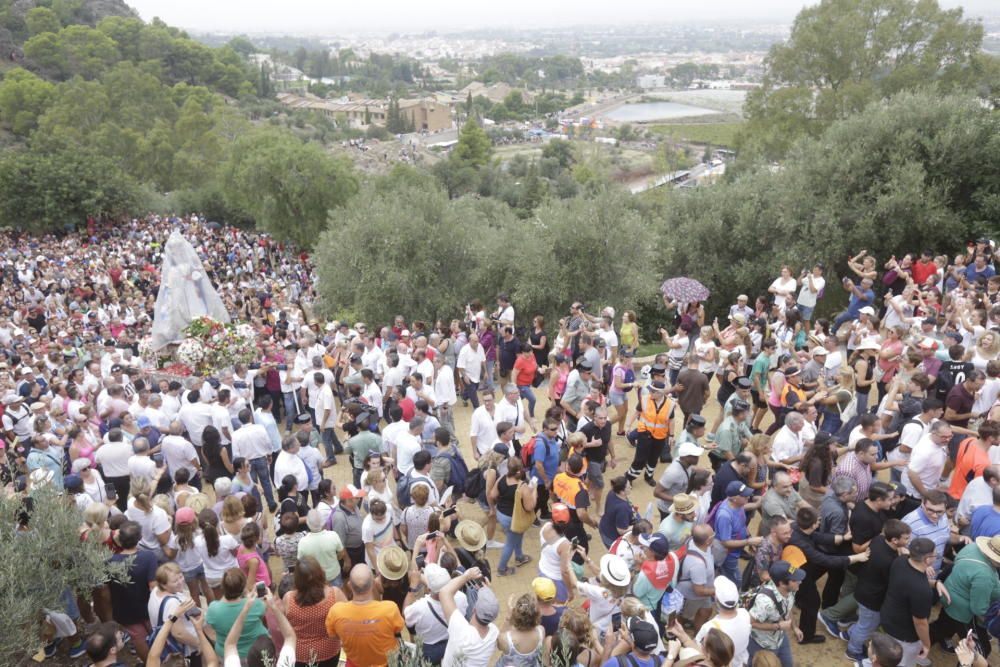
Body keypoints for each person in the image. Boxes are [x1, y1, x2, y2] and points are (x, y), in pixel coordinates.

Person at [845, 519, 914, 662]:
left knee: (864, 622)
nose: (909, 540)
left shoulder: (879, 540)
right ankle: (853, 650)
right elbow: (892, 581)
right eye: (906, 538)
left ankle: (852, 634)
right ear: (894, 540)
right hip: (872, 599)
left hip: (864, 589)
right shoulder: (888, 561)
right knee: (867, 626)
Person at [930, 534, 1000, 659]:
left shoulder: (972, 547)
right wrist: (988, 620)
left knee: (943, 624)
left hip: (950, 593)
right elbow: (978, 608)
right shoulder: (984, 575)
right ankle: (923, 646)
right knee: (981, 650)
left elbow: (957, 562)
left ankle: (924, 644)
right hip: (963, 612)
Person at [325, 564, 405, 667]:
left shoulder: (336, 611)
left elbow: (334, 636)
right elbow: (398, 629)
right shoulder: (390, 609)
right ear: (372, 585)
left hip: (355, 663)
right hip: (387, 663)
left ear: (349, 585)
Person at [879, 538, 942, 667]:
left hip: (889, 617)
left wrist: (936, 583)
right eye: (935, 555)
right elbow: (920, 623)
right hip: (905, 634)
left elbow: (911, 581)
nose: (936, 557)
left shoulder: (900, 561)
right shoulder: (922, 591)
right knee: (902, 662)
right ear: (927, 559)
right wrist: (926, 644)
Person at [106, 521, 159, 662]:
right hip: (148, 606)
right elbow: (153, 586)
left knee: (138, 638)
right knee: (157, 633)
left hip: (124, 610)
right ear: (140, 538)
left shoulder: (110, 561)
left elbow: (106, 591)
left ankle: (150, 664)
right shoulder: (148, 557)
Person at [282, 556, 345, 667]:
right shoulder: (334, 594)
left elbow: (283, 627)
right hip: (329, 650)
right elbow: (347, 617)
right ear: (320, 572)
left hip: (300, 654)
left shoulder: (288, 598)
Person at [402, 561, 468, 663]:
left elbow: (406, 615)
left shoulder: (419, 608)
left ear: (428, 589)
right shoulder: (461, 597)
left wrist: (413, 585)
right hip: (452, 642)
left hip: (429, 648)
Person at [440, 567, 500, 667]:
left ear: (474, 609)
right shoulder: (494, 634)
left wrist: (467, 576)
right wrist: (487, 594)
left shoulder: (461, 631)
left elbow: (444, 592)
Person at [747, 561, 804, 667]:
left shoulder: (791, 589)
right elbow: (751, 623)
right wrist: (777, 626)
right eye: (795, 580)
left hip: (781, 638)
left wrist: (795, 627)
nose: (799, 582)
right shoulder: (765, 602)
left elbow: (787, 608)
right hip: (762, 644)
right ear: (782, 583)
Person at [205, 568, 269, 660]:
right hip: (254, 652)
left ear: (223, 586)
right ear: (243, 586)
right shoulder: (255, 604)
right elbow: (264, 608)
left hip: (227, 655)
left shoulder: (213, 609)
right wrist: (249, 594)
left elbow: (211, 627)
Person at [626, 380, 674, 485]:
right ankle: (629, 477)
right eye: (650, 390)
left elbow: (671, 420)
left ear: (660, 393)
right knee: (640, 458)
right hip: (645, 433)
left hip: (660, 436)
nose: (650, 393)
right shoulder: (644, 399)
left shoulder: (670, 404)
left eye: (653, 391)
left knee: (654, 458)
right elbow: (636, 413)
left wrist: (671, 435)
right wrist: (629, 425)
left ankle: (648, 476)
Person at [715, 481, 762, 586]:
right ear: (735, 498)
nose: (748, 497)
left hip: (737, 550)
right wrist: (748, 542)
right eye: (745, 495)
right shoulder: (725, 516)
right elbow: (725, 542)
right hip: (729, 554)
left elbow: (742, 525)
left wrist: (749, 537)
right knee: (736, 581)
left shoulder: (739, 505)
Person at [298, 509, 349, 587]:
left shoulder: (302, 542)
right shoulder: (333, 535)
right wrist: (335, 558)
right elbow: (341, 553)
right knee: (337, 596)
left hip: (315, 578)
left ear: (308, 524)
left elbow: (300, 562)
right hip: (333, 574)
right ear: (322, 522)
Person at [495, 593, 545, 667]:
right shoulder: (541, 631)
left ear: (516, 614)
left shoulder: (506, 639)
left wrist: (509, 617)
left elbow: (498, 645)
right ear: (536, 615)